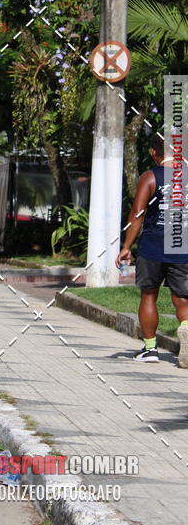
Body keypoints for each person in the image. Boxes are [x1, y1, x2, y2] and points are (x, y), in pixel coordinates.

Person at [116, 135, 188, 366]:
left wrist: (126, 247)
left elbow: (137, 215)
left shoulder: (150, 177)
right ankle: (186, 329)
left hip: (153, 245)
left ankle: (150, 350)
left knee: (149, 295)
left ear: (155, 153)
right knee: (182, 298)